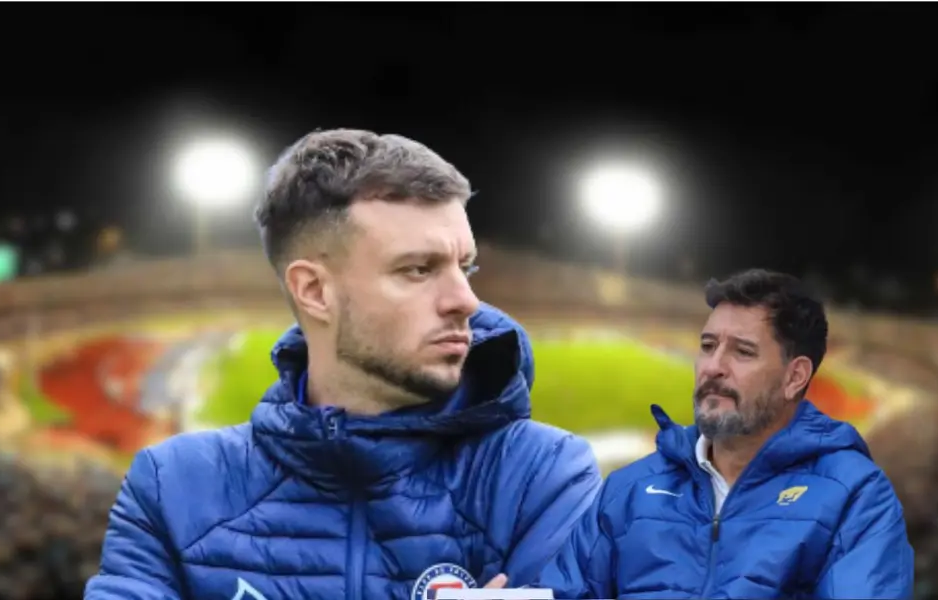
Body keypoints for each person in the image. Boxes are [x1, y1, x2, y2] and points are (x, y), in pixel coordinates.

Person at [85, 129, 602, 600]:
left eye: (464, 267)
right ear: (314, 291)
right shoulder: (173, 488)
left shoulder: (543, 476)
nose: (464, 299)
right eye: (419, 269)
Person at [534, 269, 914, 599]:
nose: (713, 367)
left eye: (742, 352)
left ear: (794, 376)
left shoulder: (856, 497)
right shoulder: (628, 489)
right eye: (708, 346)